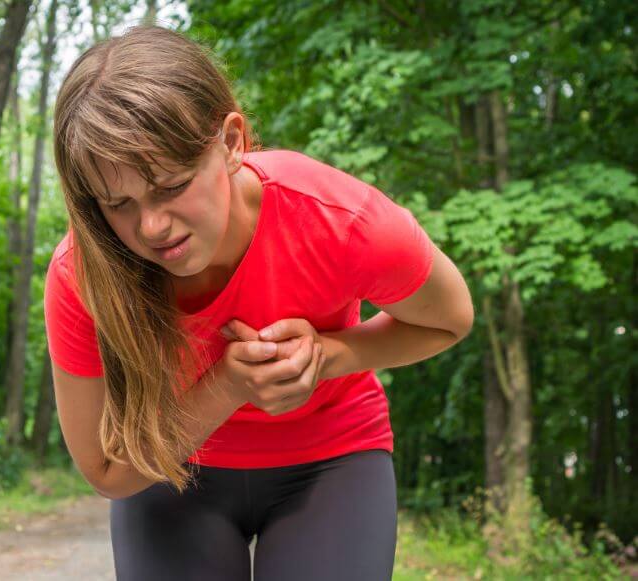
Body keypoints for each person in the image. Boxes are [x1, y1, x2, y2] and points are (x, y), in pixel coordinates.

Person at [43, 24, 474, 581]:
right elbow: (105, 469)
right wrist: (229, 384)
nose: (151, 226)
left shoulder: (337, 219)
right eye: (119, 203)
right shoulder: (82, 273)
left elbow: (452, 319)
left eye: (171, 186)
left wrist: (328, 356)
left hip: (331, 459)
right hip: (171, 473)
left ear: (231, 143)